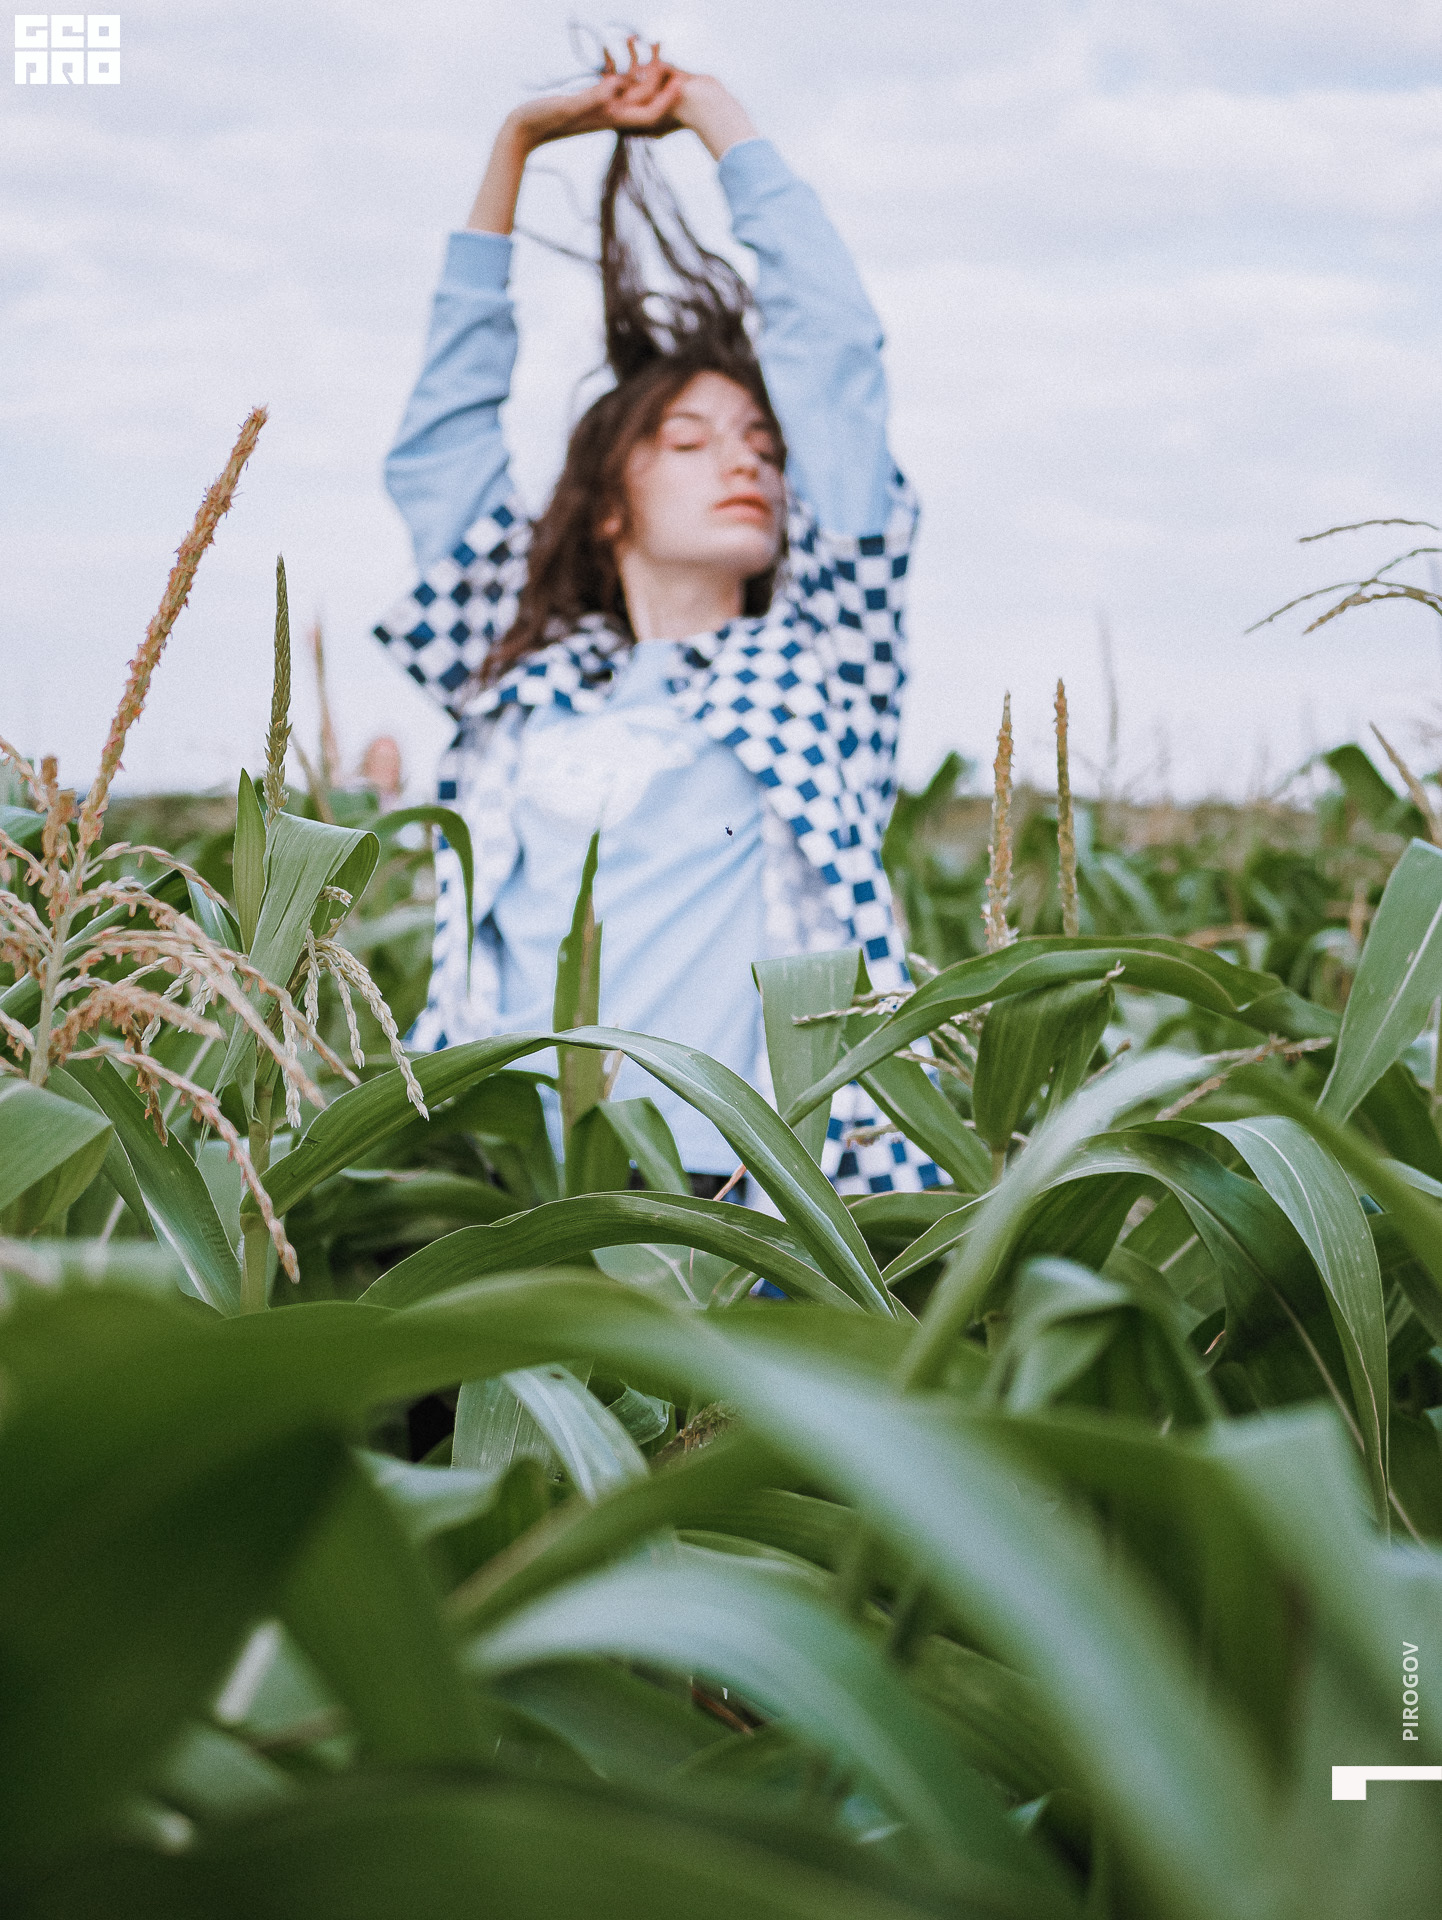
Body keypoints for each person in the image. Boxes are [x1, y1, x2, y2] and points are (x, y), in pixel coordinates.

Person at [374, 41, 940, 1197]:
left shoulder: (822, 663)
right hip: (511, 1194)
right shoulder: (522, 674)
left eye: (763, 449)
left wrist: (715, 114)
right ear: (605, 509)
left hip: (737, 1199)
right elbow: (439, 447)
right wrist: (516, 145)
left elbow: (835, 357)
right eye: (688, 442)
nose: (744, 464)